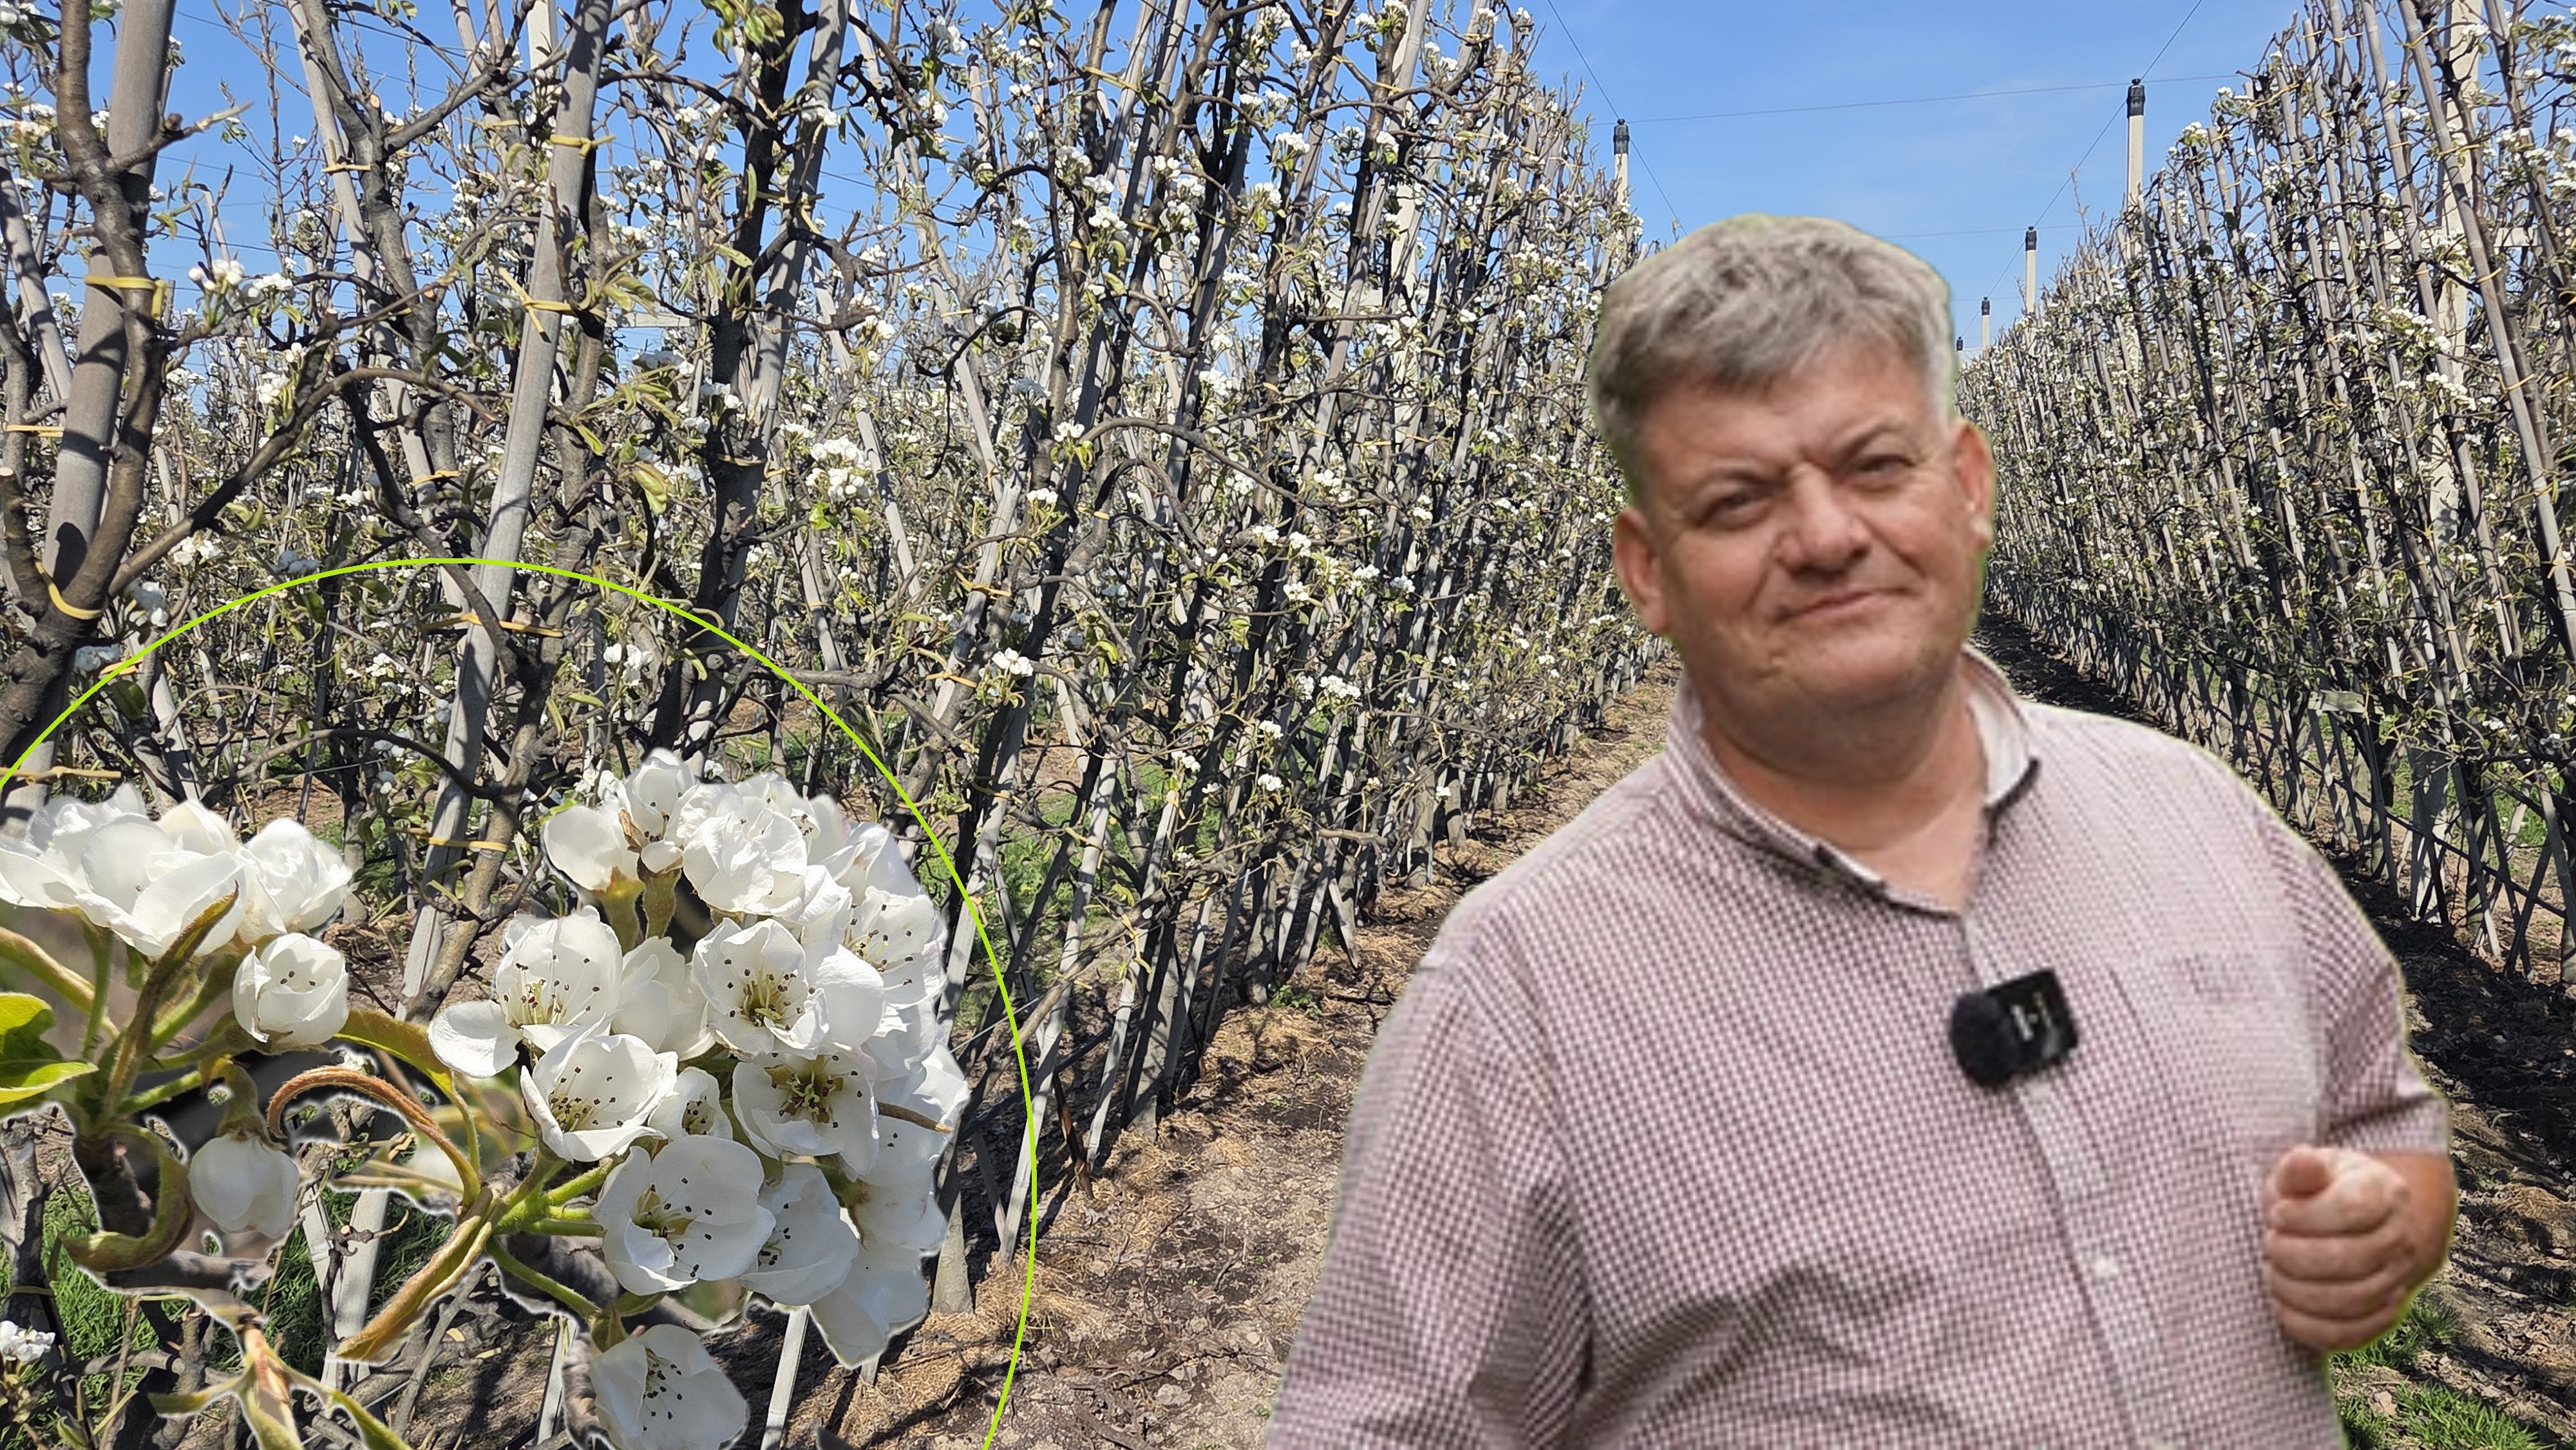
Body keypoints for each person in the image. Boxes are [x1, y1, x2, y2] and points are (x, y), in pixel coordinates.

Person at [1267, 215, 2456, 1447]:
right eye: (1736, 500)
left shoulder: (2193, 812)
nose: (1828, 536)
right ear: (1648, 572)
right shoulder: (1522, 996)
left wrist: (2392, 1223)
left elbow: (2387, 1116)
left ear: (1970, 488)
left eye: (1877, 467)